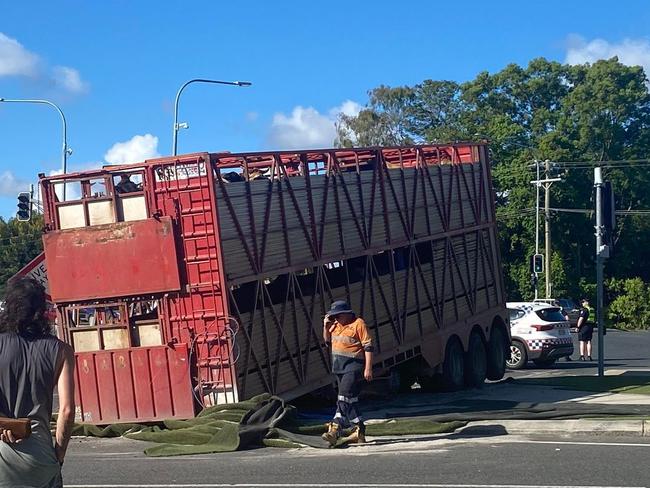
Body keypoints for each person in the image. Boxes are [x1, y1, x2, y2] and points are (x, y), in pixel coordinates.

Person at [0, 278, 75, 488]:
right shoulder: (62, 350)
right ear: (41, 309)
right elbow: (67, 410)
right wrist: (58, 454)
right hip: (40, 455)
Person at [321, 300, 373, 446]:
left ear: (346, 313)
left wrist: (368, 368)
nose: (335, 318)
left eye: (338, 315)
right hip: (339, 366)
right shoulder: (335, 326)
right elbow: (327, 342)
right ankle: (359, 431)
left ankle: (335, 428)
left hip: (354, 366)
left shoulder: (358, 324)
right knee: (351, 399)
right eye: (333, 316)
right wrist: (326, 327)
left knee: (343, 397)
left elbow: (368, 347)